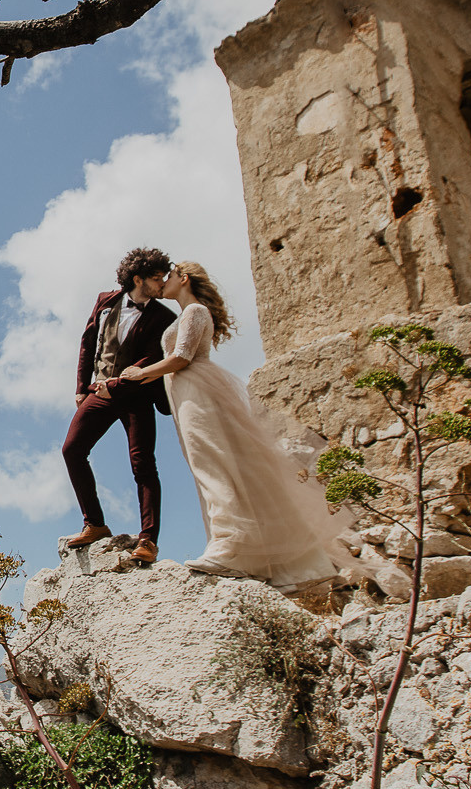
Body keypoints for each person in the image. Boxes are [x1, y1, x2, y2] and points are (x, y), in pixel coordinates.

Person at [119, 262, 349, 588]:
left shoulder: (195, 311)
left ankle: (230, 544)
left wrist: (141, 373)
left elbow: (182, 356)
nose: (162, 281)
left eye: (168, 275)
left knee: (212, 464)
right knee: (206, 465)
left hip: (197, 391)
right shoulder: (187, 313)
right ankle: (237, 548)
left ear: (183, 279)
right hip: (184, 393)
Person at [61, 247, 176, 560]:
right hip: (98, 391)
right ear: (137, 279)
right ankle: (95, 524)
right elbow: (87, 342)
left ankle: (148, 540)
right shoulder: (105, 300)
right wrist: (81, 387)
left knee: (143, 465)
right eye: (156, 278)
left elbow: (151, 360)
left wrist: (116, 385)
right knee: (72, 450)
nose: (163, 283)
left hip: (136, 395)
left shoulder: (165, 318)